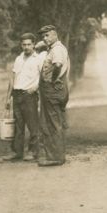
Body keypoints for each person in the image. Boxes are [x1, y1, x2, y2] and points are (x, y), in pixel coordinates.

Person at [37, 24, 70, 167]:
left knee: (52, 123)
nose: (45, 39)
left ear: (55, 34)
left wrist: (54, 79)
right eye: (43, 36)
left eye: (47, 35)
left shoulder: (57, 49)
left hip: (53, 89)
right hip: (54, 90)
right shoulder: (56, 48)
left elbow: (57, 65)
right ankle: (57, 155)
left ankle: (55, 157)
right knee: (54, 121)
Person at [8, 32, 43, 161]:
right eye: (24, 45)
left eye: (29, 44)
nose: (26, 47)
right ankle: (17, 152)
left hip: (29, 95)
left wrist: (36, 87)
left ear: (34, 44)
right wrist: (9, 96)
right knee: (18, 125)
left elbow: (43, 77)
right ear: (21, 45)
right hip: (17, 94)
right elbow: (13, 77)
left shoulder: (38, 59)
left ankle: (33, 152)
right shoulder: (18, 58)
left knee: (32, 125)